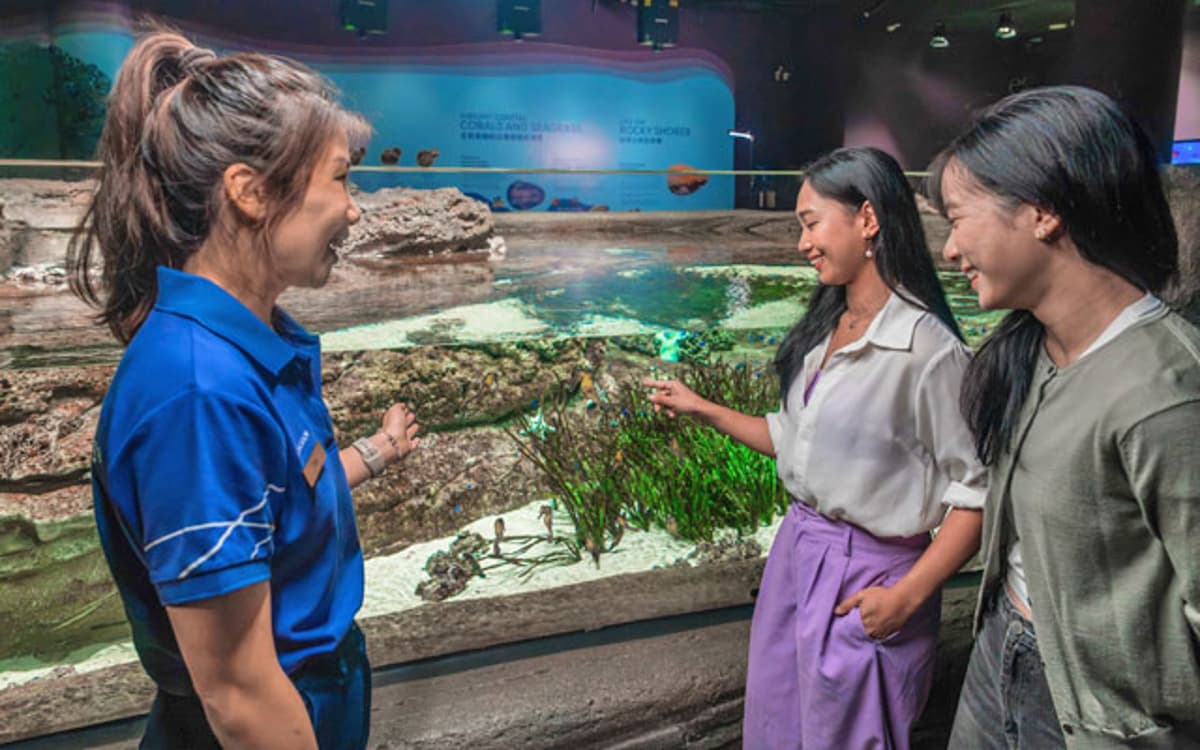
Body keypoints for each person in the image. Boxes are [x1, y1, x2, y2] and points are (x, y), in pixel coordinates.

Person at [66, 31, 419, 749]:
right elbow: (238, 689)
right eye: (342, 179)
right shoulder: (200, 392)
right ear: (251, 192)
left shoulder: (251, 346)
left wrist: (378, 451)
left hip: (315, 689)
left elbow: (278, 501)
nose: (354, 210)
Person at [644, 146, 986, 749]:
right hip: (797, 558)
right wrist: (703, 408)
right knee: (780, 731)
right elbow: (792, 442)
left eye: (810, 223)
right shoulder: (825, 331)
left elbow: (975, 495)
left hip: (870, 576)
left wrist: (905, 599)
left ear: (868, 220)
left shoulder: (927, 350)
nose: (802, 242)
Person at [931, 85, 1200, 748]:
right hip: (1003, 655)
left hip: (1102, 718)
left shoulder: (1166, 394)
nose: (949, 249)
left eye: (959, 218)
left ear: (1043, 211)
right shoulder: (1035, 350)